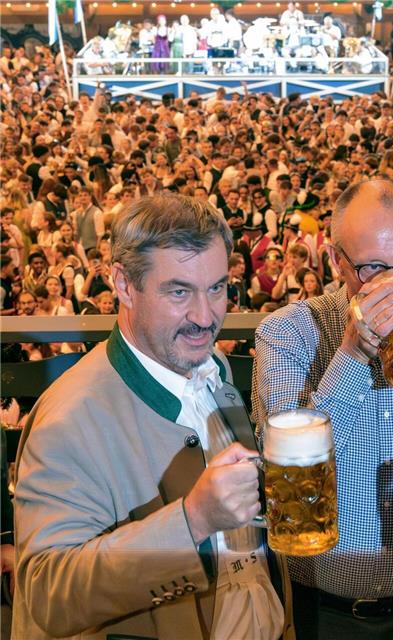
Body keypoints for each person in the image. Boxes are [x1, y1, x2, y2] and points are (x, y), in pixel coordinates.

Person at [12, 194, 294, 639]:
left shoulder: (209, 367)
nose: (206, 317)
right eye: (179, 291)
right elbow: (48, 592)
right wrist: (193, 520)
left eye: (217, 288)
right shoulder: (69, 418)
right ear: (124, 285)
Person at [253, 178, 393, 640]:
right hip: (323, 611)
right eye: (372, 267)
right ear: (336, 260)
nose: (392, 285)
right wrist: (352, 357)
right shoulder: (287, 334)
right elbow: (284, 466)